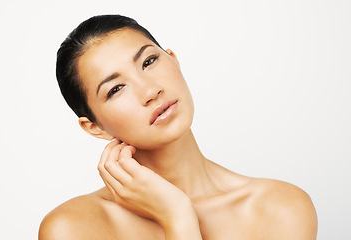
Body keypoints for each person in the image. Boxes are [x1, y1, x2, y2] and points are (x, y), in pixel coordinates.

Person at [39, 15, 317, 240]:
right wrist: (177, 216)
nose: (150, 90)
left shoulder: (280, 209)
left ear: (173, 58)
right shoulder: (72, 229)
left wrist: (176, 215)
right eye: (116, 89)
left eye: (149, 61)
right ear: (95, 127)